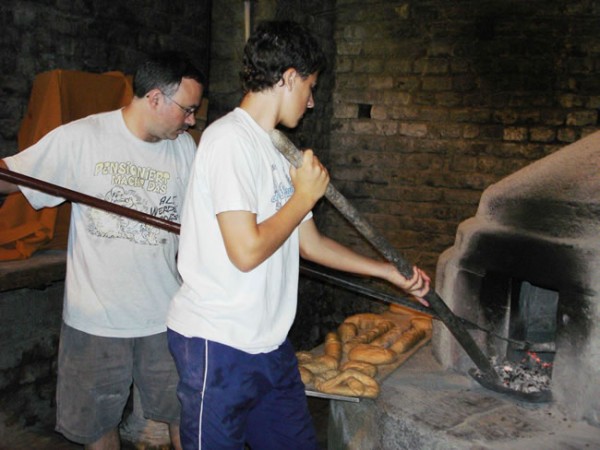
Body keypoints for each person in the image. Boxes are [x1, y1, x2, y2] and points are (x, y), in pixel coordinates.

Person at [166, 20, 430, 450]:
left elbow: (310, 244)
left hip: (269, 345)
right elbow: (246, 251)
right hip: (218, 343)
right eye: (309, 87)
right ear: (288, 77)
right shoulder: (228, 141)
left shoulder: (278, 149)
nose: (310, 102)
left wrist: (388, 273)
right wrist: (303, 196)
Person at [0, 51, 205, 450]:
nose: (192, 120)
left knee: (187, 419)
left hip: (166, 317)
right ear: (155, 98)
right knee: (97, 431)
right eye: (188, 109)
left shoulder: (183, 149)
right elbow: (11, 176)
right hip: (95, 322)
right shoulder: (83, 138)